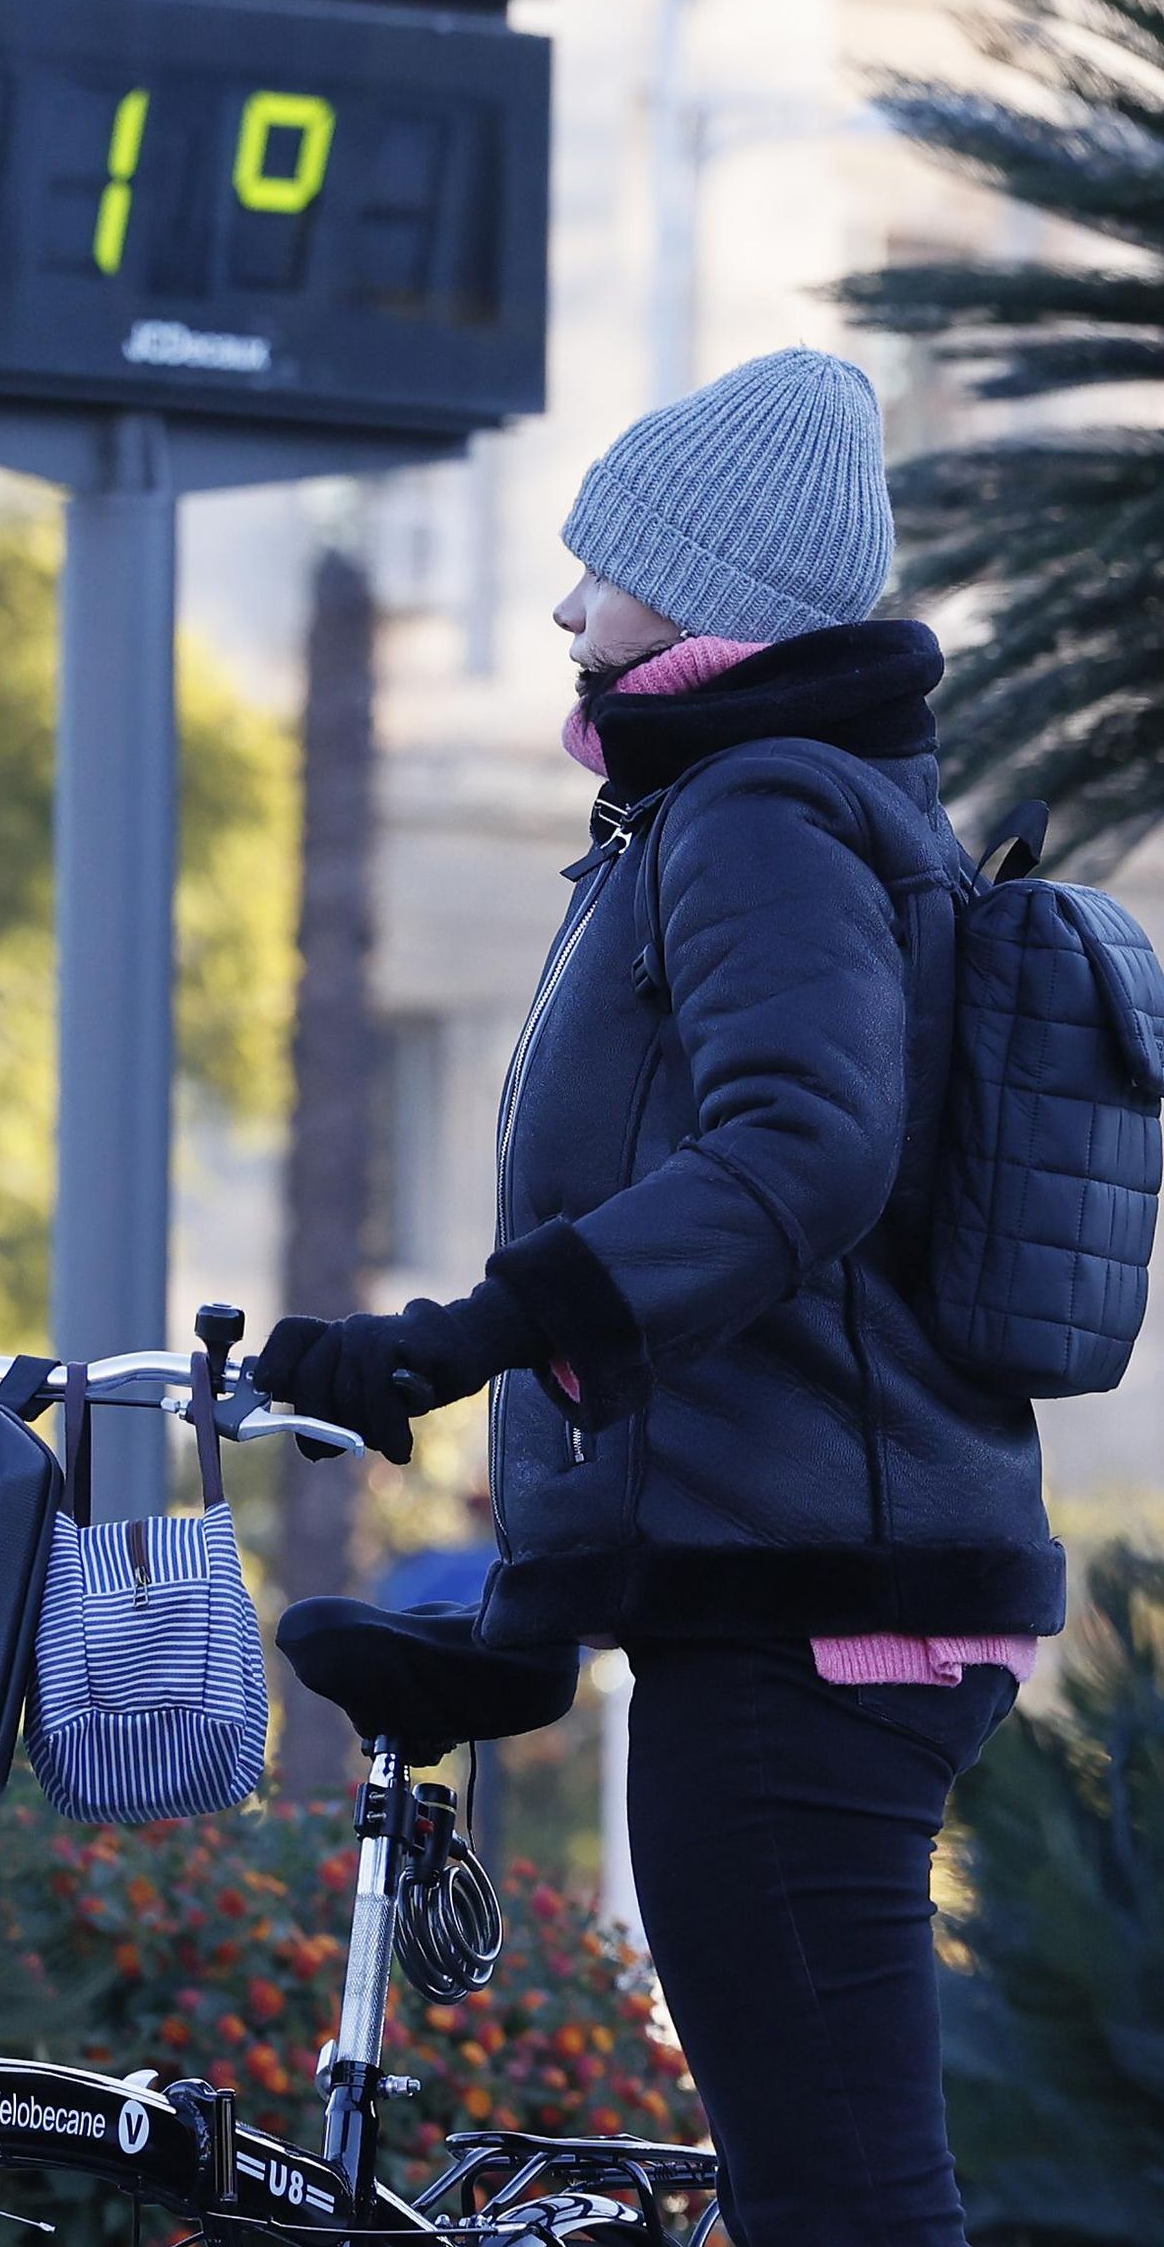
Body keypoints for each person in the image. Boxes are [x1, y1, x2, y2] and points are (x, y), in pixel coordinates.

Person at [254, 347, 1067, 2247]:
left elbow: (803, 1160)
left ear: (707, 601)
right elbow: (740, 1306)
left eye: (600, 572)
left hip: (818, 1628)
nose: (562, 607)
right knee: (816, 2190)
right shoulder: (744, 807)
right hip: (788, 1600)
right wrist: (528, 1623)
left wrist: (461, 1337)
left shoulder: (765, 814)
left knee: (845, 2207)